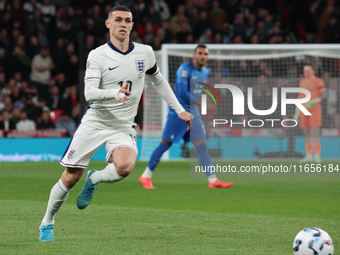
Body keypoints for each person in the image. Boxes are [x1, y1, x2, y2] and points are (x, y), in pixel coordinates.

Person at [39, 5, 192, 242]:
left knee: (125, 167)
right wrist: (113, 93)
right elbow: (89, 93)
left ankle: (94, 179)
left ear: (132, 25)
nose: (123, 24)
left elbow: (159, 82)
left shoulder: (146, 53)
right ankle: (47, 222)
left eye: (127, 20)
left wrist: (180, 110)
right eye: (118, 19)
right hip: (96, 122)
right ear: (108, 24)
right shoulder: (97, 55)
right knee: (70, 177)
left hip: (122, 125)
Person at [140, 45, 233, 189]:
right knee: (165, 144)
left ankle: (213, 180)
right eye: (200, 53)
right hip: (179, 113)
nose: (202, 56)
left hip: (194, 114)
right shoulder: (184, 69)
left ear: (208, 57)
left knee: (202, 146)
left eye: (205, 54)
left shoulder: (206, 72)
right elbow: (182, 92)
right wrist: (202, 104)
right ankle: (146, 176)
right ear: (194, 55)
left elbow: (199, 90)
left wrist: (202, 104)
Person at [294, 65, 326, 163]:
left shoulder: (318, 81)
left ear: (313, 70)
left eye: (308, 70)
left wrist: (313, 102)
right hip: (303, 110)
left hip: (314, 110)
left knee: (315, 132)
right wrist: (296, 112)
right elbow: (299, 97)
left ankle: (317, 156)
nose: (306, 72)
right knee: (306, 132)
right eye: (304, 70)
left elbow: (324, 95)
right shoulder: (302, 82)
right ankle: (308, 156)